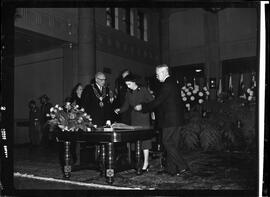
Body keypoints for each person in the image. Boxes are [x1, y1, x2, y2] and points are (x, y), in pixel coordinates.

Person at [134, 64, 191, 176]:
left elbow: (158, 101)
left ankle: (183, 166)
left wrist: (143, 107)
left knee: (167, 142)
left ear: (164, 72)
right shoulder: (173, 83)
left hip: (170, 120)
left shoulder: (167, 84)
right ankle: (171, 169)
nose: (156, 76)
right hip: (177, 119)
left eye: (157, 74)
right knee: (173, 144)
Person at [115, 74, 154, 173]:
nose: (127, 86)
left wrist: (143, 106)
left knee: (145, 141)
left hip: (143, 117)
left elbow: (152, 102)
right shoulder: (128, 92)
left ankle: (146, 162)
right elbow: (126, 105)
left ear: (134, 82)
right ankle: (138, 162)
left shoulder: (143, 90)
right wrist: (119, 110)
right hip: (134, 117)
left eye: (129, 84)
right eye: (126, 84)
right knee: (136, 141)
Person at [70, 83, 83, 165]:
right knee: (76, 143)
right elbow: (71, 112)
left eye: (82, 89)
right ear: (76, 91)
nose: (82, 90)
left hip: (83, 122)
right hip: (76, 123)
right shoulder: (74, 100)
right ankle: (76, 159)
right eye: (80, 89)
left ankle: (80, 159)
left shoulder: (84, 99)